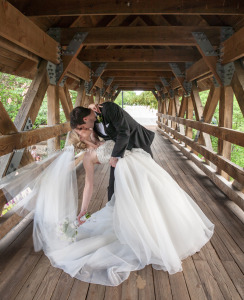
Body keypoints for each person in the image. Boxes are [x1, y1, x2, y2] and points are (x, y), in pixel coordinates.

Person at [0, 129, 214, 286]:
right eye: (82, 132)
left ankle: (163, 231)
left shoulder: (101, 139)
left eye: (84, 129)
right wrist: (83, 210)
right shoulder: (86, 158)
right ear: (80, 141)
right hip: (128, 171)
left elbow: (118, 133)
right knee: (141, 204)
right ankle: (151, 236)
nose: (86, 132)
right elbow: (89, 186)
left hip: (138, 163)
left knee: (159, 197)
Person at [69, 102, 155, 201]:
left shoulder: (109, 108)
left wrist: (115, 156)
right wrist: (95, 140)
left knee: (148, 178)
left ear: (85, 119)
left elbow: (124, 132)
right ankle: (113, 209)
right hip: (119, 150)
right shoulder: (92, 123)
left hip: (137, 142)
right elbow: (100, 134)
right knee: (113, 186)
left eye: (81, 128)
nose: (83, 129)